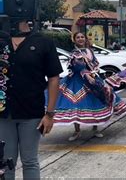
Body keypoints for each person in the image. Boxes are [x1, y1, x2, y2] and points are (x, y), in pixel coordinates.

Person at [0, 19, 63, 179]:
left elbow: (54, 78)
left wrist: (50, 114)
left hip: (32, 113)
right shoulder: (1, 40)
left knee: (30, 161)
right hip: (3, 113)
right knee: (6, 162)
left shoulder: (43, 42)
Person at [52, 32, 126, 141]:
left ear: (85, 39)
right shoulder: (74, 53)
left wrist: (93, 73)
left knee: (96, 101)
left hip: (92, 80)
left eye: (82, 37)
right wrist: (85, 73)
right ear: (74, 40)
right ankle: (77, 131)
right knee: (76, 105)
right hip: (77, 81)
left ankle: (95, 128)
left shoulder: (89, 51)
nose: (80, 39)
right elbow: (76, 66)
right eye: (78, 37)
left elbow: (95, 63)